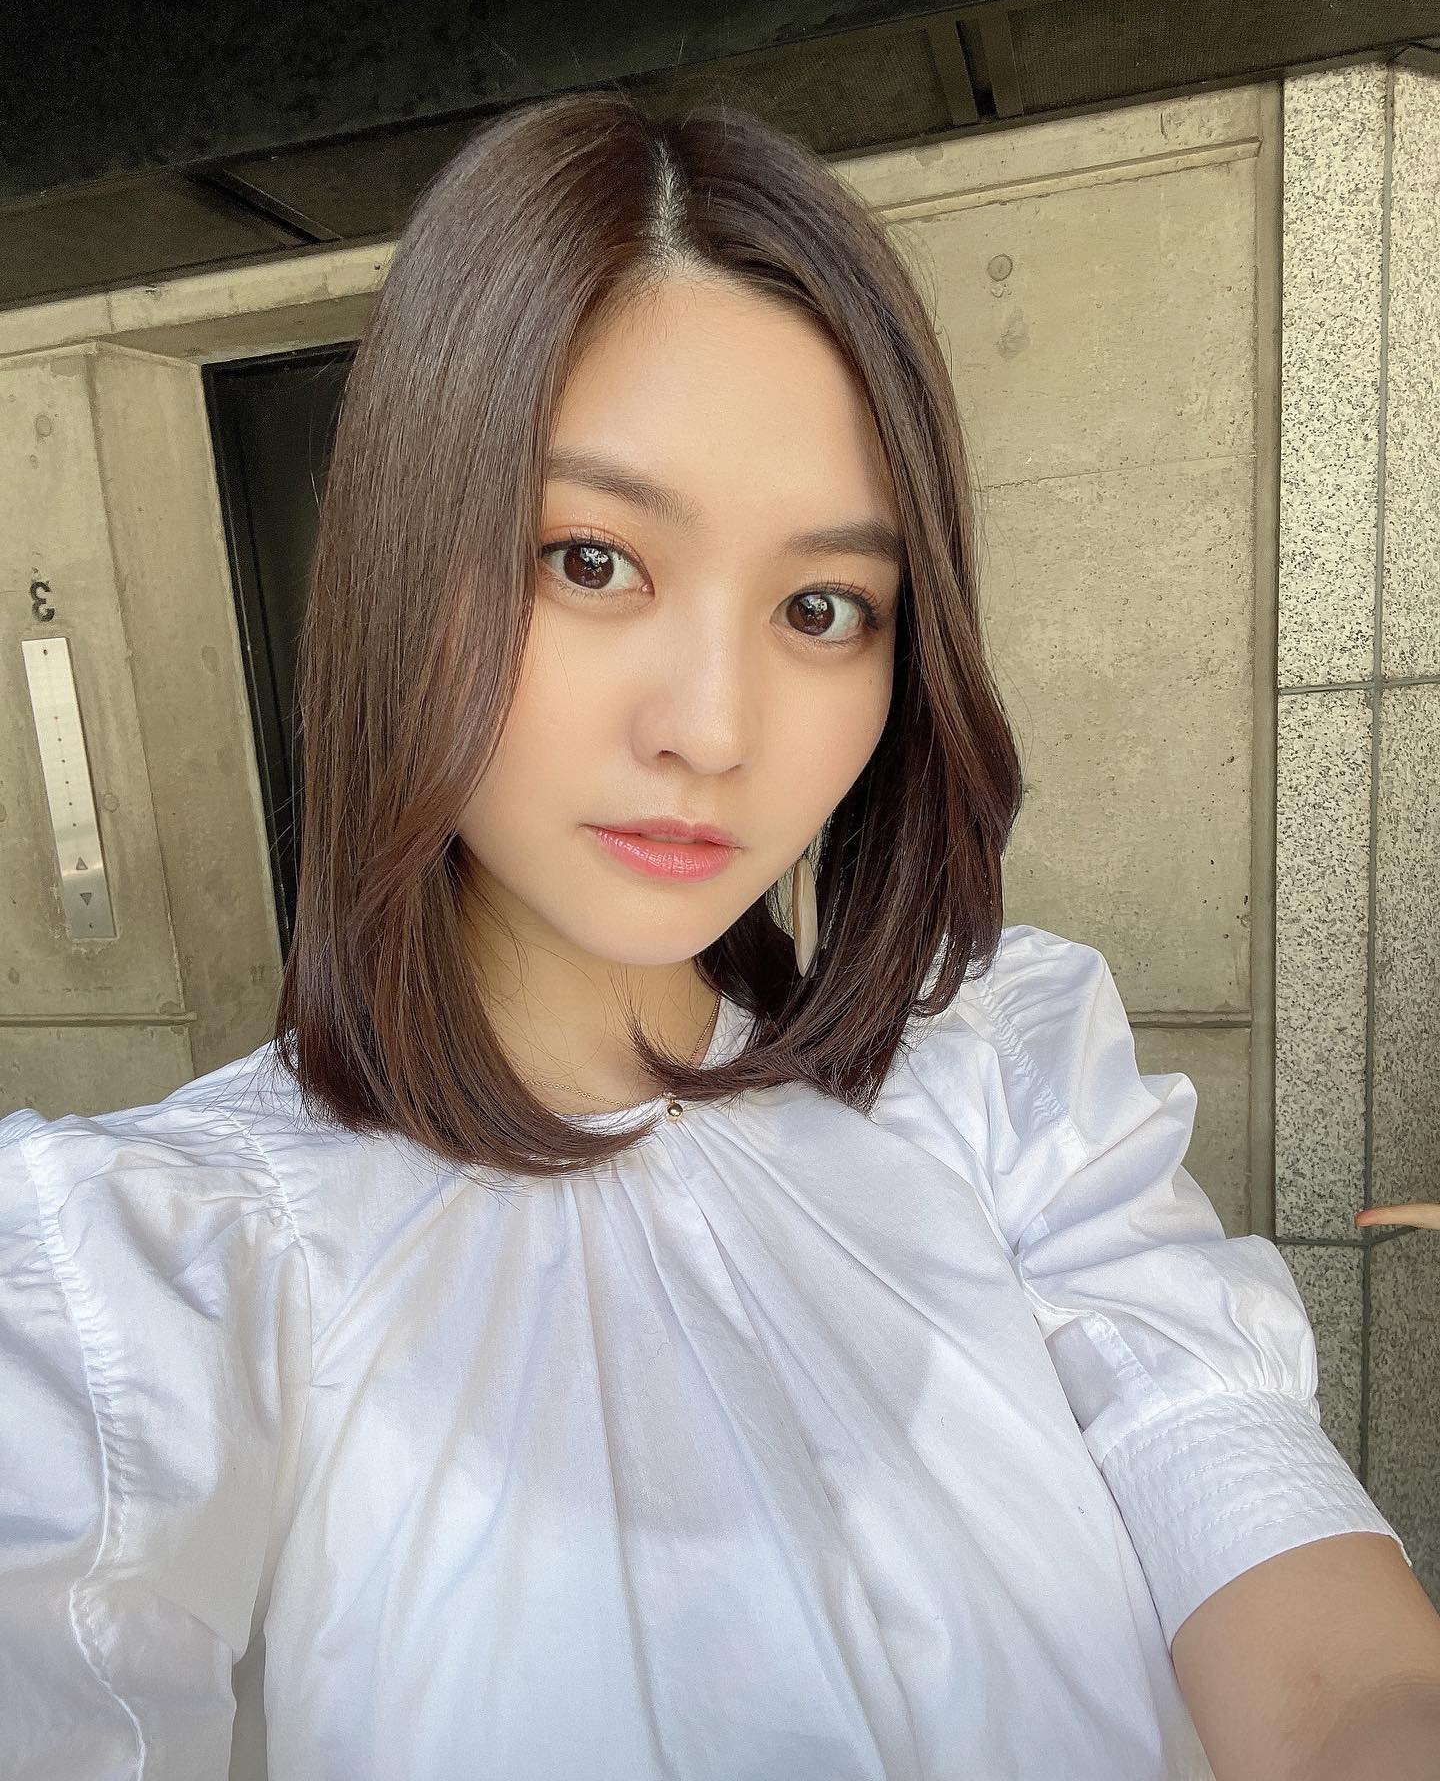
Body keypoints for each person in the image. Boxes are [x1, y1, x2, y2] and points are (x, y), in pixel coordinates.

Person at [2, 89, 1436, 1781]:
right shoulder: (149, 1280)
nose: (712, 727)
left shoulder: (1002, 1092)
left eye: (822, 607)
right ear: (398, 562)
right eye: (590, 560)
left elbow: (1307, 1626)